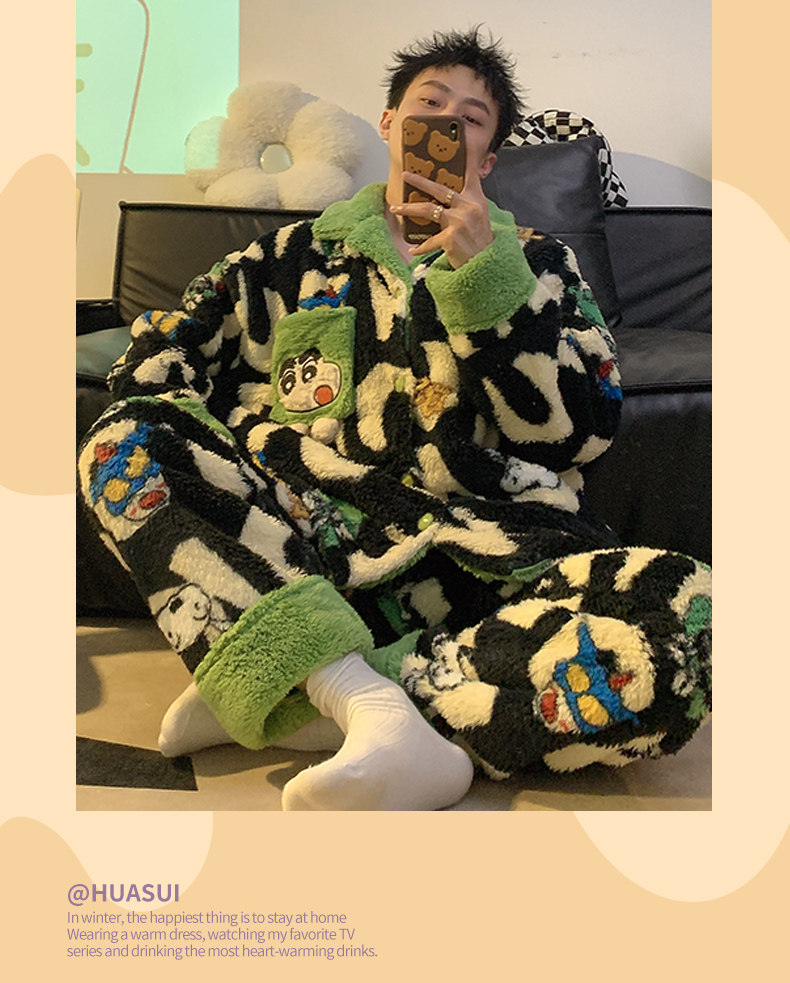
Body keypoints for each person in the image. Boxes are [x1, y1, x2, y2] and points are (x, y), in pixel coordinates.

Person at [77, 28, 711, 810]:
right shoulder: (288, 257)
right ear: (389, 124)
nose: (446, 127)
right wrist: (224, 440)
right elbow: (159, 352)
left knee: (691, 621)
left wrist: (488, 282)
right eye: (429, 107)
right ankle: (353, 689)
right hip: (311, 551)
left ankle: (317, 687)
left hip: (489, 562)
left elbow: (582, 429)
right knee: (124, 439)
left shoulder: (540, 264)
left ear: (488, 159)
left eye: (470, 120)